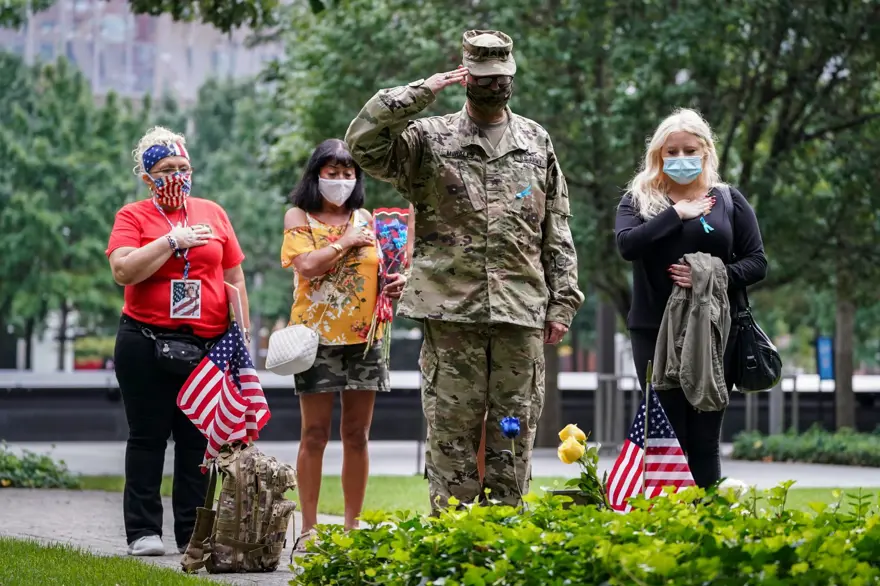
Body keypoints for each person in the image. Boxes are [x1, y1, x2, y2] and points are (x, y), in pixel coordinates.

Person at [345, 30, 584, 511]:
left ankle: (505, 535)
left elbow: (555, 225)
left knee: (514, 431)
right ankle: (454, 537)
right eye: (484, 77)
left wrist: (563, 301)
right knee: (451, 432)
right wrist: (421, 91)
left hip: (520, 310)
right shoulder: (429, 139)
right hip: (451, 311)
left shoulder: (536, 140)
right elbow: (363, 144)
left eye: (502, 77)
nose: (495, 85)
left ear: (512, 75)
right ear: (465, 76)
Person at [106, 126, 251, 555]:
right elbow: (123, 270)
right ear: (147, 178)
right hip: (145, 341)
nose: (177, 176)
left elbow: (234, 274)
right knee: (148, 437)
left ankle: (192, 533)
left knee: (196, 443)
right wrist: (170, 242)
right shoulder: (133, 216)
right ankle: (143, 532)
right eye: (166, 169)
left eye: (183, 167)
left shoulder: (213, 212)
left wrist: (241, 334)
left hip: (206, 345)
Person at [614, 108, 767, 488]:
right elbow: (627, 245)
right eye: (672, 152)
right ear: (658, 155)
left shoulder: (728, 200)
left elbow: (757, 262)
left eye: (689, 150)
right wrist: (676, 214)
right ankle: (667, 519)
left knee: (704, 437)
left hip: (715, 331)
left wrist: (712, 275)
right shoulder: (638, 200)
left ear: (705, 152)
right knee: (667, 436)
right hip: (653, 331)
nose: (681, 158)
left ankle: (708, 516)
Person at [280, 138, 407, 551]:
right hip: (314, 340)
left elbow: (377, 268)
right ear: (316, 175)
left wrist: (395, 282)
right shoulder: (299, 216)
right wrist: (346, 241)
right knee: (314, 433)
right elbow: (307, 265)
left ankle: (353, 527)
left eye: (347, 173)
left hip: (365, 338)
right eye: (332, 173)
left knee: (357, 433)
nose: (340, 180)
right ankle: (309, 529)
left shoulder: (366, 218)